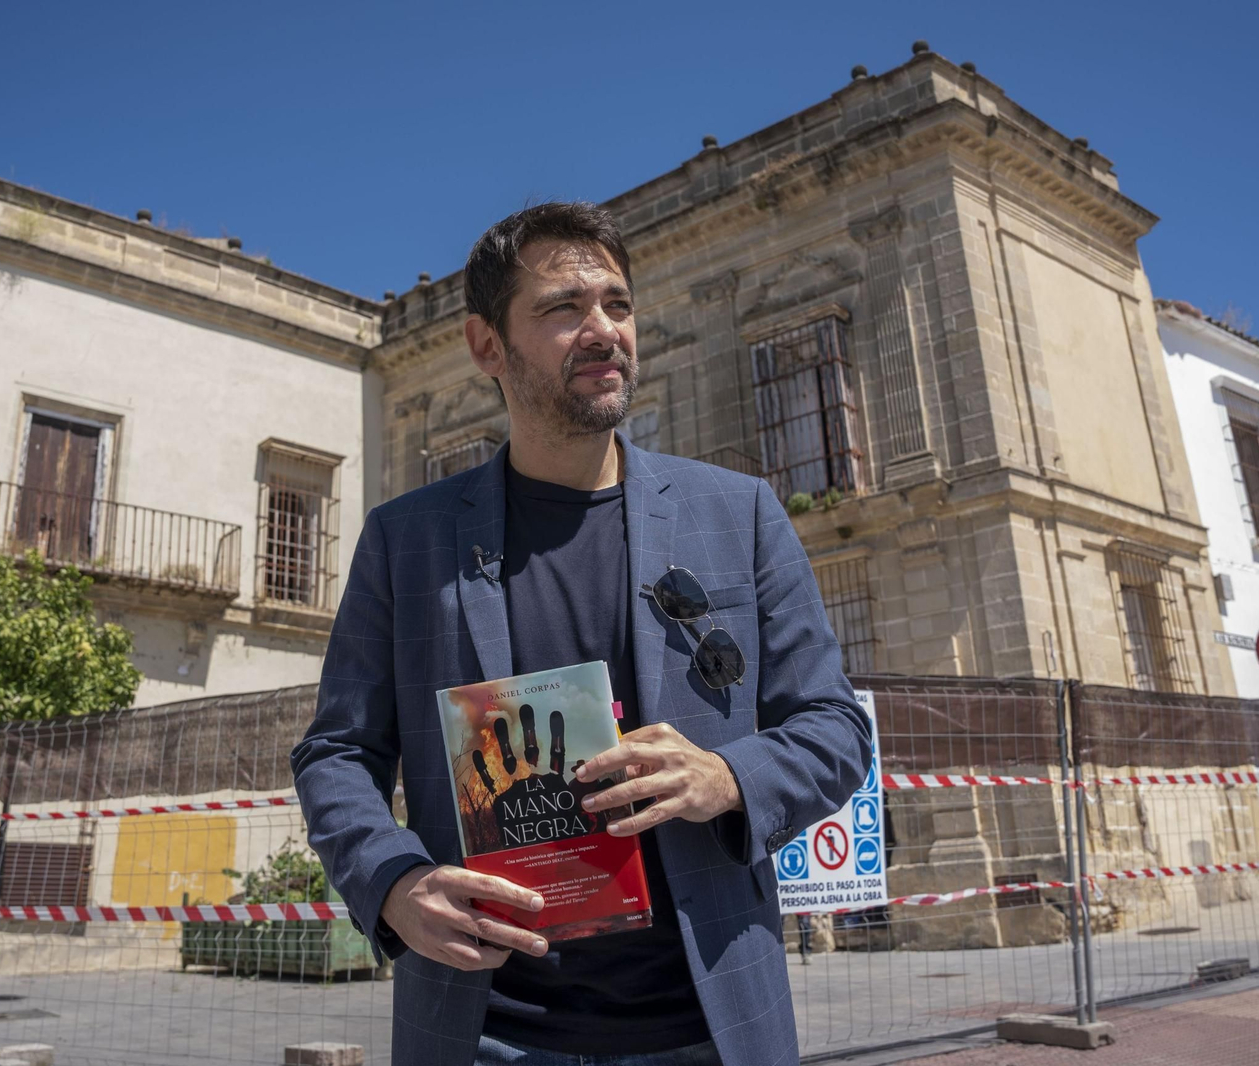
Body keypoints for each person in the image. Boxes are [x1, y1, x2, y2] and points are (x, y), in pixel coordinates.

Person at [291, 202, 871, 1066]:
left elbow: (834, 728)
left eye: (618, 305)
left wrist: (725, 775)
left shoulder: (739, 515)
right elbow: (337, 750)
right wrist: (394, 883)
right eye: (564, 308)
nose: (603, 330)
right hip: (483, 1029)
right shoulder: (404, 541)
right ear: (488, 346)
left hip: (709, 1028)